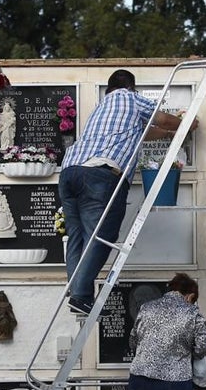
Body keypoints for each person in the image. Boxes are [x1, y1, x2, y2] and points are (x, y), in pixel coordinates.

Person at [60, 70, 197, 315]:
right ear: (131, 87)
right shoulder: (129, 98)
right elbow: (162, 119)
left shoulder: (102, 108)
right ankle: (81, 296)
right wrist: (186, 124)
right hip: (99, 175)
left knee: (77, 236)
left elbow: (145, 131)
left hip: (69, 172)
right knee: (102, 234)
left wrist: (168, 135)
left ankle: (76, 293)